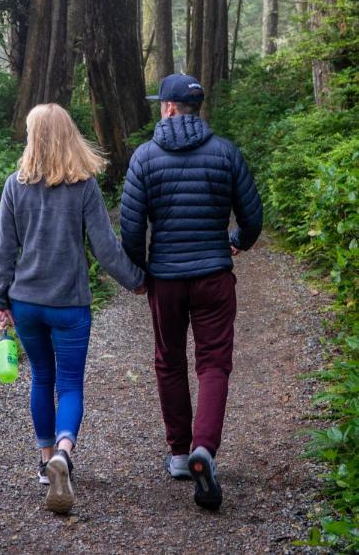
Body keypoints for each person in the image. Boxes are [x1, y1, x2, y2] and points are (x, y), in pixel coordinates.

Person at [0, 103, 145, 515]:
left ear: (33, 137)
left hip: (25, 302)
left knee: (41, 377)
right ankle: (63, 450)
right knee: (71, 384)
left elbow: (2, 250)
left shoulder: (14, 185)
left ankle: (45, 464)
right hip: (70, 305)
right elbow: (106, 247)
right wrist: (136, 280)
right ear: (68, 135)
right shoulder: (83, 185)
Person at [120, 74, 262, 510]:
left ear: (167, 108)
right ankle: (205, 448)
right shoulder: (226, 152)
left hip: (166, 279)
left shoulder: (144, 157)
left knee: (168, 361)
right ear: (194, 108)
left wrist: (143, 270)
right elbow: (252, 216)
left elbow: (130, 228)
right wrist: (237, 240)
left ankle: (180, 454)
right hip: (215, 275)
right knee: (214, 363)